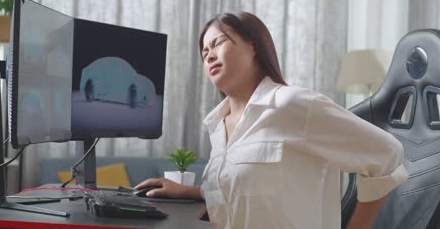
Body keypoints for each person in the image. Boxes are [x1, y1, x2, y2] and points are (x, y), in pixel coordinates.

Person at [135, 12, 409, 229]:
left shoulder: (293, 105)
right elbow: (246, 190)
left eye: (217, 43)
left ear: (253, 45)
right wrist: (189, 191)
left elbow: (387, 154)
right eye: (204, 52)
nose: (209, 55)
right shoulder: (218, 124)